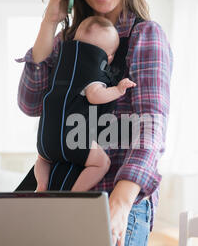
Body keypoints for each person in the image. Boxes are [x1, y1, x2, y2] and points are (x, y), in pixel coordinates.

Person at [16, 0, 173, 246]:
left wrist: (120, 201)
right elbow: (29, 103)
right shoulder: (64, 43)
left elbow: (151, 127)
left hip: (119, 196)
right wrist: (50, 21)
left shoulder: (145, 36)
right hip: (62, 196)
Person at [34, 15, 136, 192]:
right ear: (108, 57)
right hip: (72, 137)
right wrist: (118, 90)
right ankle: (75, 194)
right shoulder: (92, 72)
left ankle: (41, 186)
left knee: (43, 159)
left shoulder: (61, 65)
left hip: (45, 139)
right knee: (102, 163)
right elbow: (95, 96)